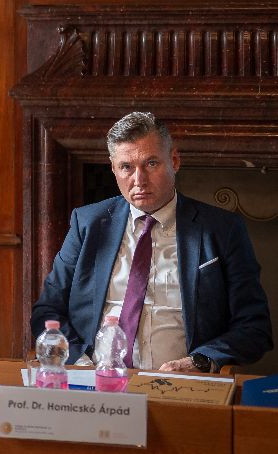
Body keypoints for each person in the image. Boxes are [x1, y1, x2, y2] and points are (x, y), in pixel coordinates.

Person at [31, 112, 271, 372]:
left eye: (151, 163)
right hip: (95, 379)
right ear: (113, 169)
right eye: (126, 167)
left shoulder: (222, 229)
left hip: (181, 383)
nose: (139, 180)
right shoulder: (88, 223)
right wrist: (80, 362)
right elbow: (47, 310)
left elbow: (254, 326)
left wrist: (200, 361)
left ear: (174, 161)